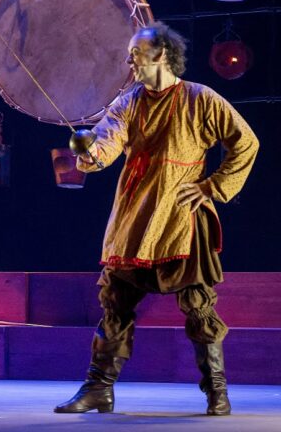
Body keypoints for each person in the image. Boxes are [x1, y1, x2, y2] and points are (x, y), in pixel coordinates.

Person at [54, 23, 259, 416]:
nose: (129, 60)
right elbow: (107, 142)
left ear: (161, 54)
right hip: (135, 216)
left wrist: (213, 186)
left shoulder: (201, 98)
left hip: (182, 217)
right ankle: (98, 389)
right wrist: (90, 151)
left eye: (136, 52)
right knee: (116, 303)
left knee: (198, 305)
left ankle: (217, 393)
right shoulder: (127, 103)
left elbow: (246, 142)